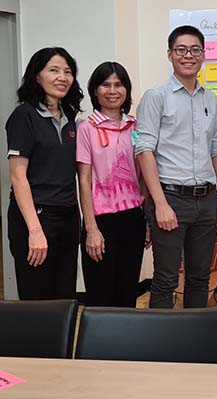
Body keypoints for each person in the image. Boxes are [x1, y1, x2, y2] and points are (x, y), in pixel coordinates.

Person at [134, 25, 217, 309]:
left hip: (207, 200)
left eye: (195, 50)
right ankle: (161, 346)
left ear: (203, 56)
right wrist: (160, 203)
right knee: (165, 279)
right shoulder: (156, 97)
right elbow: (144, 150)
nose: (188, 55)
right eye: (181, 50)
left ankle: (194, 343)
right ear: (170, 55)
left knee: (200, 278)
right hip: (171, 198)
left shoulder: (210, 100)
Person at [6, 47, 83, 300]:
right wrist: (35, 230)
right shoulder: (24, 116)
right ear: (37, 76)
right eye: (54, 70)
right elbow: (18, 177)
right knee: (37, 297)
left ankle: (61, 341)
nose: (63, 77)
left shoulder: (70, 116)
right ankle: (35, 341)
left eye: (68, 71)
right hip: (36, 217)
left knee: (64, 294)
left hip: (68, 216)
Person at [76, 62, 147, 307]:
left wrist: (146, 220)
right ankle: (98, 345)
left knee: (128, 292)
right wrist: (92, 229)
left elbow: (142, 176)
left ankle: (125, 345)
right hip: (101, 221)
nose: (112, 90)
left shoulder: (135, 127)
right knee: (100, 293)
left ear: (126, 90)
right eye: (105, 84)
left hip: (133, 219)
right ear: (95, 91)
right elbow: (84, 180)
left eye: (118, 85)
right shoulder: (86, 128)